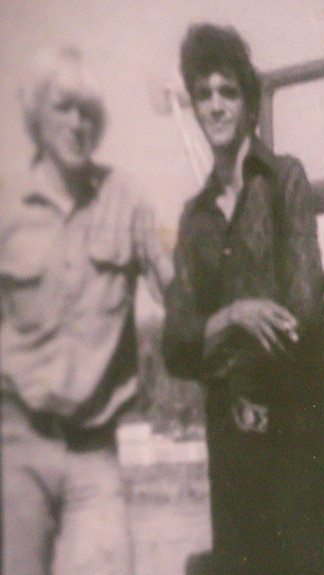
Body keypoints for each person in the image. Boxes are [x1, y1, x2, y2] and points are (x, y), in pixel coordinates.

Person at [162, 23, 324, 575]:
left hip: (293, 441)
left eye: (228, 91)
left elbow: (301, 310)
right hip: (230, 454)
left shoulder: (285, 181)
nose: (215, 106)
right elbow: (174, 344)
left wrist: (215, 336)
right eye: (203, 94)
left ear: (249, 102)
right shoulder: (194, 217)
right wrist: (236, 315)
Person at [0, 46, 173, 575]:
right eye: (64, 109)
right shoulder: (6, 207)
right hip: (15, 450)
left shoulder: (128, 200)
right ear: (35, 116)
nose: (78, 124)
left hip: (94, 455)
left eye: (88, 113)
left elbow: (181, 299)